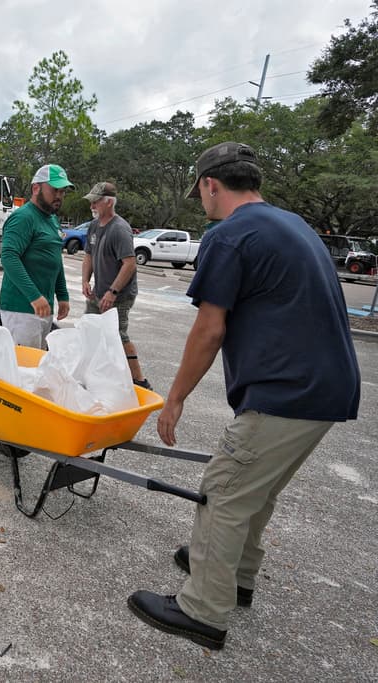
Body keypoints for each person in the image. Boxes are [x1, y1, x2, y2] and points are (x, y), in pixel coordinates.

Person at [127, 142, 361, 650]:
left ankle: (202, 610)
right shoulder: (293, 224)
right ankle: (235, 577)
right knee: (257, 489)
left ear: (210, 184)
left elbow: (209, 328)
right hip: (329, 389)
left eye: (199, 191)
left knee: (224, 489)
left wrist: (175, 398)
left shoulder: (229, 235)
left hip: (285, 390)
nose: (201, 201)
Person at [80, 181, 151, 389]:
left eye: (96, 201)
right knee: (90, 330)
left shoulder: (120, 229)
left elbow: (129, 264)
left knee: (117, 335)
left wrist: (113, 292)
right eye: (91, 202)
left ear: (109, 202)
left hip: (119, 295)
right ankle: (93, 375)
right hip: (99, 292)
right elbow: (88, 255)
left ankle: (139, 380)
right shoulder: (94, 226)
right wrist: (85, 280)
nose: (92, 206)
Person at [0, 163, 72, 349]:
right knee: (24, 364)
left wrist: (62, 295)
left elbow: (55, 259)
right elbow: (9, 257)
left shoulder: (52, 219)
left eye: (62, 191)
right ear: (36, 188)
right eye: (54, 190)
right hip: (22, 309)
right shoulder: (23, 217)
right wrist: (34, 296)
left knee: (37, 363)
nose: (59, 196)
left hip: (42, 308)